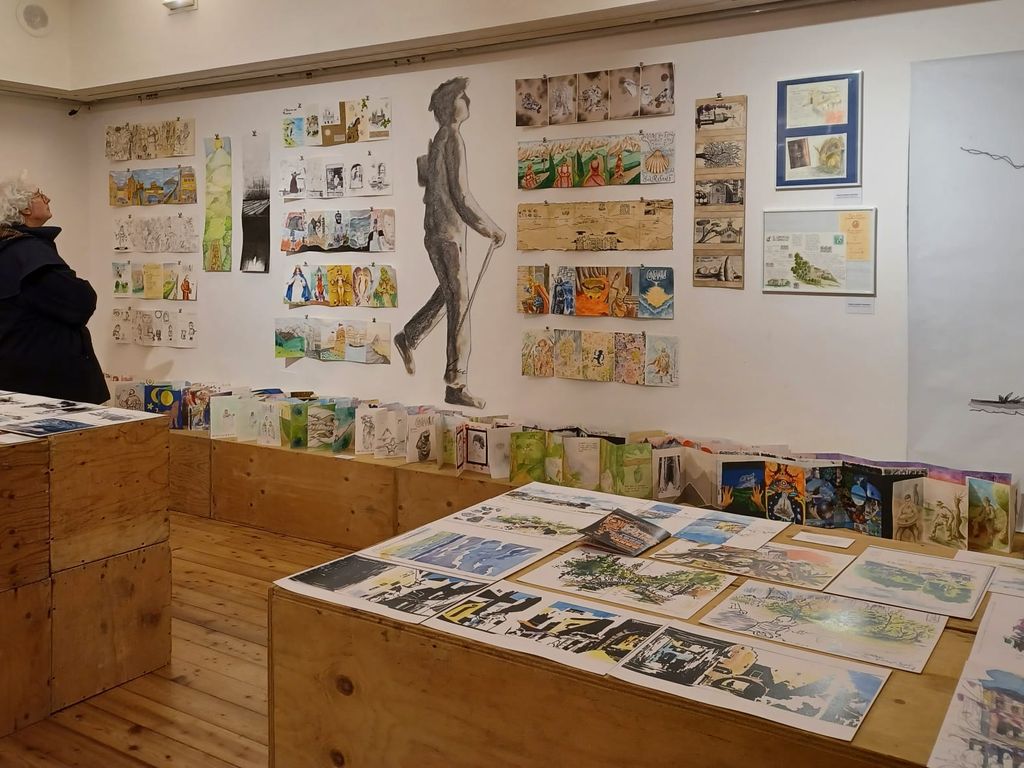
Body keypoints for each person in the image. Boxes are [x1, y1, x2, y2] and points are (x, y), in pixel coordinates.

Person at [393, 77, 505, 408]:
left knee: (449, 294)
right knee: (460, 303)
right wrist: (490, 229)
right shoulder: (452, 138)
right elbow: (461, 196)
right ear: (450, 105)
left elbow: (430, 182)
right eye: (461, 97)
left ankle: (409, 336)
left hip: (435, 232)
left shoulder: (440, 139)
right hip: (449, 234)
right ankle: (456, 383)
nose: (467, 101)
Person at [0, 176, 108, 403]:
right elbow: (80, 302)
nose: (47, 198)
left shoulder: (9, 249)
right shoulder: (27, 253)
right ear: (24, 208)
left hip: (16, 381)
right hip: (47, 388)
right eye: (39, 195)